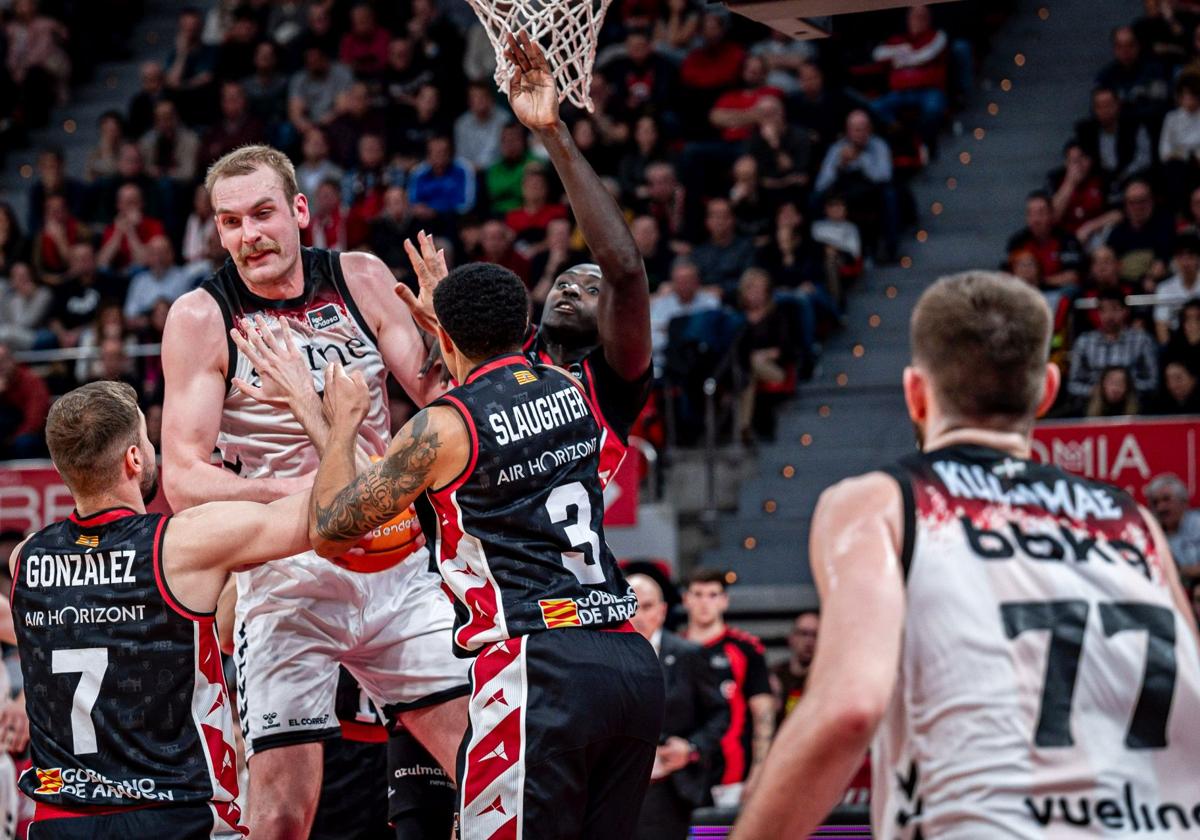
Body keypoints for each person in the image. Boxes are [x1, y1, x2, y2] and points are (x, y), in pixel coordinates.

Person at [732, 271, 1200, 839]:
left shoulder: (879, 501)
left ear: (915, 393)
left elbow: (849, 707)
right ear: (1047, 390)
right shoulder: (1131, 521)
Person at [159, 144, 469, 838]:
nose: (250, 235)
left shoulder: (358, 277)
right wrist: (307, 491)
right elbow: (181, 479)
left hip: (395, 564)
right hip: (289, 573)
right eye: (231, 222)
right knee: (280, 815)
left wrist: (449, 334)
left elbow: (439, 398)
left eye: (263, 213)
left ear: (301, 211)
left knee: (486, 770)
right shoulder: (200, 317)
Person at [306, 261, 662, 837]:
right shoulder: (573, 392)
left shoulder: (441, 429)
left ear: (444, 336)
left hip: (535, 659)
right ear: (525, 326)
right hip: (626, 659)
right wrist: (446, 324)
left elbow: (329, 529)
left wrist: (341, 425)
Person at [6, 380, 322, 836]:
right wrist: (331, 420)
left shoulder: (27, 558)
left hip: (59, 821)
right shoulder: (179, 545)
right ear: (134, 459)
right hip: (171, 813)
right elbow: (327, 516)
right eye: (146, 440)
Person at [629, 574, 729, 840]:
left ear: (662, 611)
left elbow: (720, 713)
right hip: (617, 788)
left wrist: (691, 748)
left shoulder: (689, 655)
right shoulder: (600, 656)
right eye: (630, 605)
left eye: (646, 606)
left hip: (671, 788)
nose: (637, 615)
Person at [681, 568, 775, 797]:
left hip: (733, 777)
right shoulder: (672, 648)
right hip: (681, 775)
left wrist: (759, 772)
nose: (705, 603)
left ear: (725, 601)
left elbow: (763, 712)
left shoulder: (745, 649)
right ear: (686, 600)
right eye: (698, 594)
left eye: (713, 595)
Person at [1067, 289, 1159, 410]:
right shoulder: (1084, 341)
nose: (1109, 316)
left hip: (1134, 404)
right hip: (1092, 405)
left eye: (1114, 309)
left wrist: (1126, 388)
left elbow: (1153, 382)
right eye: (1103, 310)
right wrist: (1098, 390)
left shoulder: (1142, 339)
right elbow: (1073, 385)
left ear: (1125, 311)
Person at [1147, 473, 1200, 578]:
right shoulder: (1150, 534)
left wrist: (1180, 571)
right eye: (1155, 503)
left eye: (1166, 499)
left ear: (1183, 502)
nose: (1160, 508)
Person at [771, 610, 818, 725]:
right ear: (791, 638)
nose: (809, 641)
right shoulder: (775, 676)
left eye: (815, 635)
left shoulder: (829, 678)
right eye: (804, 633)